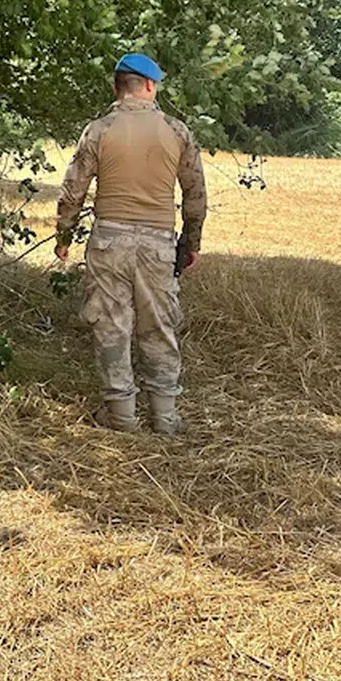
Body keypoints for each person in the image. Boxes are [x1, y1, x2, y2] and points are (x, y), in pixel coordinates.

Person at [54, 54, 207, 435]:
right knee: (159, 326)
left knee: (111, 326)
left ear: (116, 87)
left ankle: (121, 416)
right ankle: (165, 417)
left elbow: (73, 190)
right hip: (158, 243)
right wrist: (190, 243)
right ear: (151, 86)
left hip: (109, 241)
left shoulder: (98, 130)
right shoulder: (177, 131)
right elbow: (195, 194)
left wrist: (64, 235)